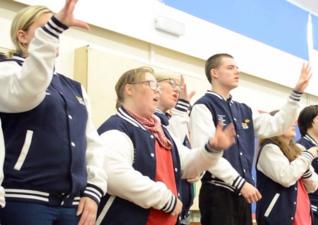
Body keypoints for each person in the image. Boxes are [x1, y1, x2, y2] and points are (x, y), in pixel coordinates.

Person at [0, 1, 107, 225]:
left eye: (57, 29)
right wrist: (53, 29)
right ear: (22, 36)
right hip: (24, 199)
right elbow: (27, 91)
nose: (55, 32)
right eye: (48, 27)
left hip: (71, 205)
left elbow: (92, 144)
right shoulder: (8, 70)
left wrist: (94, 189)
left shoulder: (74, 88)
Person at [96, 67, 236, 225]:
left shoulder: (160, 131)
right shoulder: (117, 127)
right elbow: (114, 174)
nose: (157, 91)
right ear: (129, 89)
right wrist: (166, 198)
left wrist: (212, 149)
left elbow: (187, 163)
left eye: (158, 86)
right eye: (151, 84)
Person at [189, 53, 313, 225]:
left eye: (237, 68)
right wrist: (240, 183)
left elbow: (277, 124)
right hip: (218, 193)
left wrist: (296, 93)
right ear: (214, 73)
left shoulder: (244, 110)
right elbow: (205, 156)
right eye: (230, 67)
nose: (237, 72)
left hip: (244, 194)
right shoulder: (203, 106)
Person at [256, 110, 318, 225]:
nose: (293, 124)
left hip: (302, 215)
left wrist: (305, 166)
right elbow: (286, 177)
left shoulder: (298, 150)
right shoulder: (269, 149)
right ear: (275, 126)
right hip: (278, 218)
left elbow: (313, 186)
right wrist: (307, 156)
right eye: (287, 121)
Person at [154, 71, 195, 224]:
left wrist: (195, 170)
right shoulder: (153, 120)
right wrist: (182, 109)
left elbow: (184, 154)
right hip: (163, 210)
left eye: (180, 85)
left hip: (182, 212)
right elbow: (170, 149)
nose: (177, 89)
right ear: (154, 86)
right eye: (172, 83)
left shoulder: (173, 118)